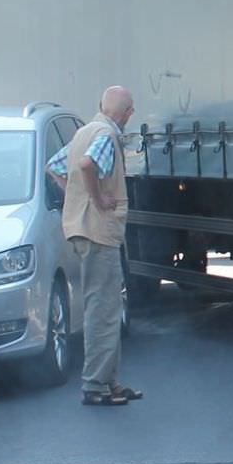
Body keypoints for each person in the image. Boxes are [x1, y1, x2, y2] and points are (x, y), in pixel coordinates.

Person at [49, 86, 143, 406]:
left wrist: (75, 197)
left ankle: (108, 381)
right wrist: (96, 196)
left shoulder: (84, 132)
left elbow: (56, 167)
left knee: (104, 306)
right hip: (99, 233)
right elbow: (88, 166)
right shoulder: (107, 135)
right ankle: (96, 385)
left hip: (84, 230)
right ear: (126, 113)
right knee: (103, 309)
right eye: (131, 112)